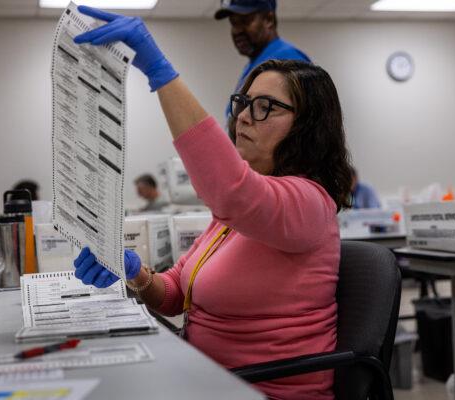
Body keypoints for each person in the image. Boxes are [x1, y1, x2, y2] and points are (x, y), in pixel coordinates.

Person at [72, 6, 352, 399]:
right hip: (206, 381)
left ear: (308, 127)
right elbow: (174, 295)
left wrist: (160, 71)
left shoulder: (309, 204)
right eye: (244, 102)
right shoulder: (235, 217)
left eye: (265, 106)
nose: (243, 118)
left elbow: (231, 189)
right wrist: (132, 270)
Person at [214, 0, 311, 117]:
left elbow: (305, 125)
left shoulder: (288, 61)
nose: (237, 31)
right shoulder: (256, 63)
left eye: (245, 21)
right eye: (233, 23)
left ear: (268, 20)